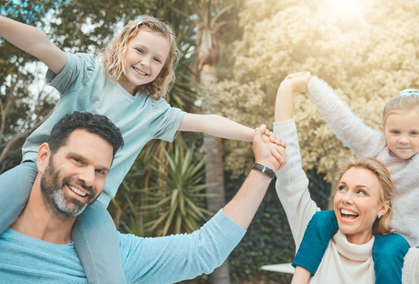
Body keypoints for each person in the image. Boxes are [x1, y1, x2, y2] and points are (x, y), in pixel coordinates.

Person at [0, 15, 283, 283]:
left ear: (164, 69)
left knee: (108, 273)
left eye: (157, 59)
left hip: (93, 203)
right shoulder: (86, 74)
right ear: (123, 45)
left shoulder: (153, 113)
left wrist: (255, 134)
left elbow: (208, 123)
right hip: (32, 173)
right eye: (140, 51)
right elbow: (41, 44)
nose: (145, 63)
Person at [0, 111, 286, 283]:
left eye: (100, 170)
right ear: (43, 157)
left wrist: (264, 168)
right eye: (77, 160)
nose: (88, 179)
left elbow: (203, 250)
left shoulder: (110, 256)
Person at [272, 73, 419, 284]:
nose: (403, 140)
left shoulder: (411, 264)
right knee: (319, 220)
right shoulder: (373, 146)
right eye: (342, 188)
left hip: (399, 240)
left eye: (361, 191)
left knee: (386, 254)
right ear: (384, 131)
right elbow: (342, 121)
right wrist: (307, 85)